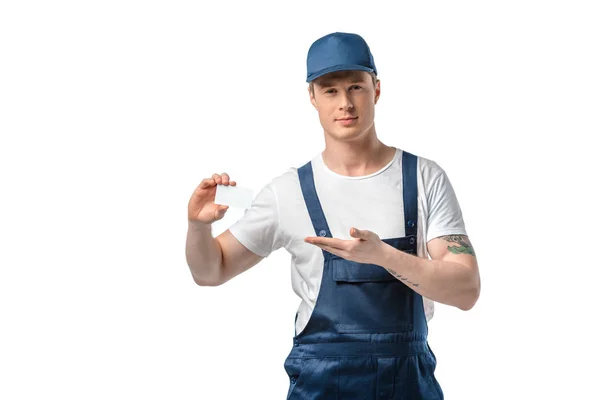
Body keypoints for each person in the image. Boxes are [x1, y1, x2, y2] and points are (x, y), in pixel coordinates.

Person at [186, 32, 480, 400]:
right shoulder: (287, 192)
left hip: (408, 386)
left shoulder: (424, 178)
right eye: (330, 90)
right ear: (312, 97)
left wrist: (383, 256)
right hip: (319, 388)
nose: (345, 103)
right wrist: (198, 227)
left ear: (376, 88)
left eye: (356, 87)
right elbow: (210, 271)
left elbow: (467, 290)